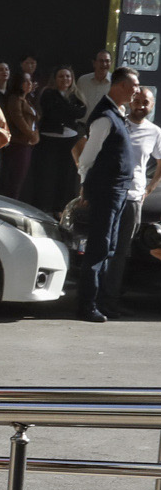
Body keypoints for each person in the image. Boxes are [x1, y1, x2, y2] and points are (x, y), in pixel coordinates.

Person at [72, 68, 142, 322]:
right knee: (98, 247)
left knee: (109, 248)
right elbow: (87, 158)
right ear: (120, 86)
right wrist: (85, 187)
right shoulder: (104, 117)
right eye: (133, 85)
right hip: (105, 191)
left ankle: (99, 301)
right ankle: (86, 305)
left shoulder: (117, 114)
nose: (136, 90)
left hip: (118, 190)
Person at [104, 87, 160, 316]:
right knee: (103, 248)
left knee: (121, 253)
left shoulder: (155, 132)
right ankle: (93, 297)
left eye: (145, 102)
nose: (140, 105)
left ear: (152, 106)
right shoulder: (118, 125)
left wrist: (150, 187)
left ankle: (111, 301)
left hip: (134, 199)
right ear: (130, 102)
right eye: (137, 100)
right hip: (111, 195)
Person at [32, 67, 86, 214]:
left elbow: (81, 112)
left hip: (69, 142)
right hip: (50, 141)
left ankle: (61, 209)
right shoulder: (48, 93)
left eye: (68, 76)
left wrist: (64, 108)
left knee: (66, 176)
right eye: (61, 76)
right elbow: (53, 113)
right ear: (55, 79)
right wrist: (68, 109)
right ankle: (44, 208)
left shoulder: (75, 95)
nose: (65, 79)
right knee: (49, 175)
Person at [0, 73, 39, 200]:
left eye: (30, 81)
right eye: (25, 81)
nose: (29, 83)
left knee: (20, 179)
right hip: (17, 143)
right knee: (14, 179)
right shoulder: (14, 99)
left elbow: (34, 120)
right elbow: (18, 119)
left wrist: (35, 135)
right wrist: (32, 136)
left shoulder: (27, 99)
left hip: (27, 143)